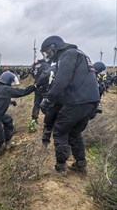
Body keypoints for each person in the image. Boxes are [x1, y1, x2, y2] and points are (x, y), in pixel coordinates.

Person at [40, 35, 99, 174]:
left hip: (77, 100)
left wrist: (48, 99)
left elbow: (62, 81)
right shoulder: (80, 54)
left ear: (54, 47)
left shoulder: (68, 54)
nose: (48, 55)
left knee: (60, 130)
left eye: (48, 51)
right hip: (90, 101)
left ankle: (61, 166)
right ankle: (80, 162)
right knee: (74, 131)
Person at [0, 71, 36, 158]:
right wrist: (34, 87)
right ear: (7, 81)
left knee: (8, 120)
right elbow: (21, 92)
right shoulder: (4, 89)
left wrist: (10, 101)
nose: (11, 85)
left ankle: (7, 142)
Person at [28, 59, 50, 132]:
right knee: (47, 103)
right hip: (44, 87)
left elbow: (31, 72)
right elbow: (48, 75)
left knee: (36, 104)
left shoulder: (36, 66)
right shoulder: (46, 65)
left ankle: (34, 119)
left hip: (37, 86)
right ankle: (49, 121)